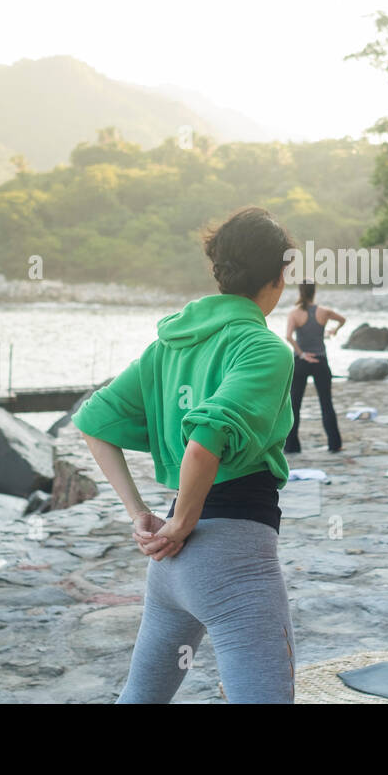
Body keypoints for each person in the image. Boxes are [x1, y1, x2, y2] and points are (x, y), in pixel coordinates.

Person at [72, 206, 298, 703]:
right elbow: (203, 444)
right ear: (279, 277)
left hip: (171, 570)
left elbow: (93, 421)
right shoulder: (265, 348)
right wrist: (179, 525)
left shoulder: (169, 345)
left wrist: (142, 516)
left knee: (140, 697)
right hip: (233, 556)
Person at [283, 281, 345, 453]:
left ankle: (291, 447)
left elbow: (288, 336)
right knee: (326, 403)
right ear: (314, 291)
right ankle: (335, 444)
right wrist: (334, 331)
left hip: (301, 362)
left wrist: (301, 354)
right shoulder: (324, 311)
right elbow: (343, 319)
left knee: (294, 404)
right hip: (320, 362)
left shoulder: (294, 313)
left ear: (300, 292)